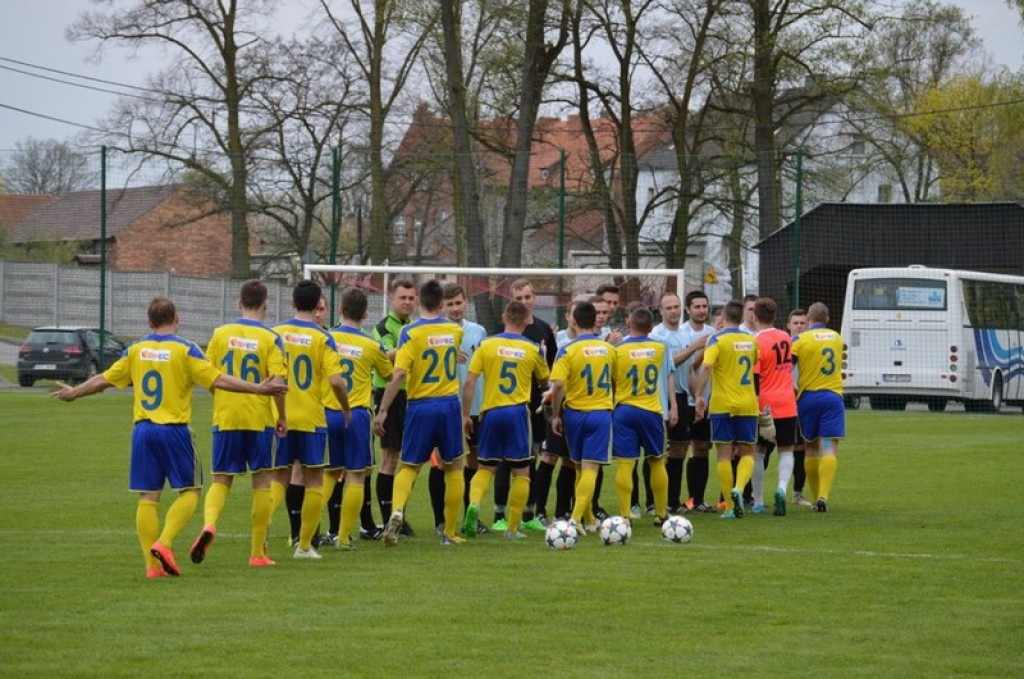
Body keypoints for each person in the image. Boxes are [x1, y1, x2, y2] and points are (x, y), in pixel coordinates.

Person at [52, 296, 288, 578]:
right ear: (177, 319)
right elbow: (219, 380)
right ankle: (164, 543)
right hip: (174, 431)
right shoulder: (186, 350)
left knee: (148, 498)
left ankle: (152, 568)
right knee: (190, 491)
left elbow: (103, 379)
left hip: (142, 431)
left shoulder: (136, 349)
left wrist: (74, 392)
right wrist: (257, 390)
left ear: (149, 322)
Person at [189, 281, 289, 568]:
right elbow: (277, 383)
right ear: (265, 305)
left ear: (238, 303)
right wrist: (281, 416)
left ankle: (209, 524)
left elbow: (209, 376)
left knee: (221, 479)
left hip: (226, 416)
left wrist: (222, 397)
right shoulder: (270, 338)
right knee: (262, 481)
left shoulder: (220, 334)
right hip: (259, 418)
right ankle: (257, 553)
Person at [375, 279, 465, 546]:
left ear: (419, 303)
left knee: (410, 466)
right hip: (448, 404)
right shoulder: (454, 330)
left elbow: (399, 373)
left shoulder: (410, 333)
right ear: (441, 303)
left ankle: (397, 510)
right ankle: (449, 533)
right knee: (454, 468)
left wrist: (382, 410)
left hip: (420, 405)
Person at [272, 280, 351, 559]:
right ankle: (305, 546)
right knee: (315, 479)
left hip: (279, 417)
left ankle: (263, 537)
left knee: (280, 477)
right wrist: (346, 408)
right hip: (312, 418)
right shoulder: (322, 337)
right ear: (319, 304)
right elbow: (336, 382)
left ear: (292, 302)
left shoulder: (276, 333)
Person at [463, 300, 550, 539]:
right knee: (522, 472)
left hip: (490, 412)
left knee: (485, 468)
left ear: (504, 317)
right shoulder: (532, 348)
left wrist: (465, 415)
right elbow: (545, 382)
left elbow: (470, 381)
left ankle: (473, 505)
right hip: (517, 413)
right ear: (526, 320)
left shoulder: (486, 344)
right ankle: (512, 528)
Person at [318, 287, 395, 550]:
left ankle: (309, 532)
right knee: (356, 476)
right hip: (357, 414)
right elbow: (389, 373)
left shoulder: (325, 338)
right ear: (365, 314)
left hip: (327, 412)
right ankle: (342, 536)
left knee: (328, 475)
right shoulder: (372, 345)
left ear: (340, 310)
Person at [491, 279, 557, 532]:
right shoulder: (502, 329)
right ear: (511, 301)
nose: (524, 302)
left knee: (531, 458)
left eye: (527, 297)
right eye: (518, 298)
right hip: (509, 403)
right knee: (506, 460)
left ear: (534, 298)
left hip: (535, 405)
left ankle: (530, 513)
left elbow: (550, 369)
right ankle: (499, 515)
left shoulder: (543, 330)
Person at [549, 301, 616, 535]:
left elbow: (557, 385)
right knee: (589, 469)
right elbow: (615, 379)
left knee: (579, 467)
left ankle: (586, 518)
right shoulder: (609, 350)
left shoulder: (567, 350)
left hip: (574, 414)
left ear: (574, 321)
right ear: (595, 320)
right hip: (599, 413)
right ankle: (576, 520)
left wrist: (556, 414)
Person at [427, 282, 489, 536]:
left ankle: (469, 516)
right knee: (441, 462)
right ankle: (440, 521)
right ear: (442, 306)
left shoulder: (478, 331)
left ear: (466, 302)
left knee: (474, 460)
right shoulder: (435, 331)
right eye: (450, 304)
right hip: (445, 406)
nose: (455, 309)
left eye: (458, 303)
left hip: (474, 406)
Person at [693, 300, 760, 519]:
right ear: (742, 318)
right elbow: (754, 362)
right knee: (748, 451)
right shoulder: (751, 341)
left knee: (723, 455)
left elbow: (707, 365)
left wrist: (699, 394)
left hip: (722, 404)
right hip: (748, 403)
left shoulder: (716, 339)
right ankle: (739, 487)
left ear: (723, 316)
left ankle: (730, 506)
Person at [611, 305, 676, 523]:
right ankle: (660, 513)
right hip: (651, 411)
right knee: (657, 461)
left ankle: (625, 514)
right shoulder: (660, 348)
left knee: (626, 464)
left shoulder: (617, 350)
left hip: (624, 410)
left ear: (629, 323)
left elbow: (612, 380)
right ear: (651, 327)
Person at [652, 290, 715, 513]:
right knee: (657, 452)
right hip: (663, 397)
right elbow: (668, 366)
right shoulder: (657, 336)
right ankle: (654, 502)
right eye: (668, 308)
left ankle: (674, 500)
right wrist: (692, 349)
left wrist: (696, 396)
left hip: (682, 397)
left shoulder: (684, 335)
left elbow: (688, 369)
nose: (673, 311)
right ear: (660, 311)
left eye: (676, 307)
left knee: (680, 449)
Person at [371, 278, 417, 538]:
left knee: (408, 461)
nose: (407, 302)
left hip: (413, 395)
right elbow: (384, 355)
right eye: (403, 298)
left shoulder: (414, 327)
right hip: (390, 394)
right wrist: (411, 347)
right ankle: (389, 517)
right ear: (392, 299)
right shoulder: (382, 327)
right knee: (389, 459)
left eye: (411, 298)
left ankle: (399, 515)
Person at [791, 302, 845, 513]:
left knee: (810, 448)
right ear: (828, 319)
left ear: (809, 320)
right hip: (832, 396)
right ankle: (823, 496)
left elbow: (788, 367)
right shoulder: (837, 338)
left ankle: (815, 498)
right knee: (829, 447)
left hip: (807, 397)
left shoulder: (800, 339)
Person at [752, 297, 799, 517]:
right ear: (775, 316)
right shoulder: (785, 337)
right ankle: (781, 488)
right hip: (788, 402)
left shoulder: (755, 342)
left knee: (759, 452)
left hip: (766, 404)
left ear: (754, 317)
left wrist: (755, 406)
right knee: (786, 449)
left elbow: (754, 378)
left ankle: (759, 502)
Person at [786, 308, 812, 507]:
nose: (799, 326)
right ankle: (751, 494)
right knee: (765, 449)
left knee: (801, 448)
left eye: (803, 323)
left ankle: (797, 493)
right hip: (784, 402)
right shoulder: (785, 346)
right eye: (796, 323)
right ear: (789, 326)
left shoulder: (812, 346)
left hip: (804, 403)